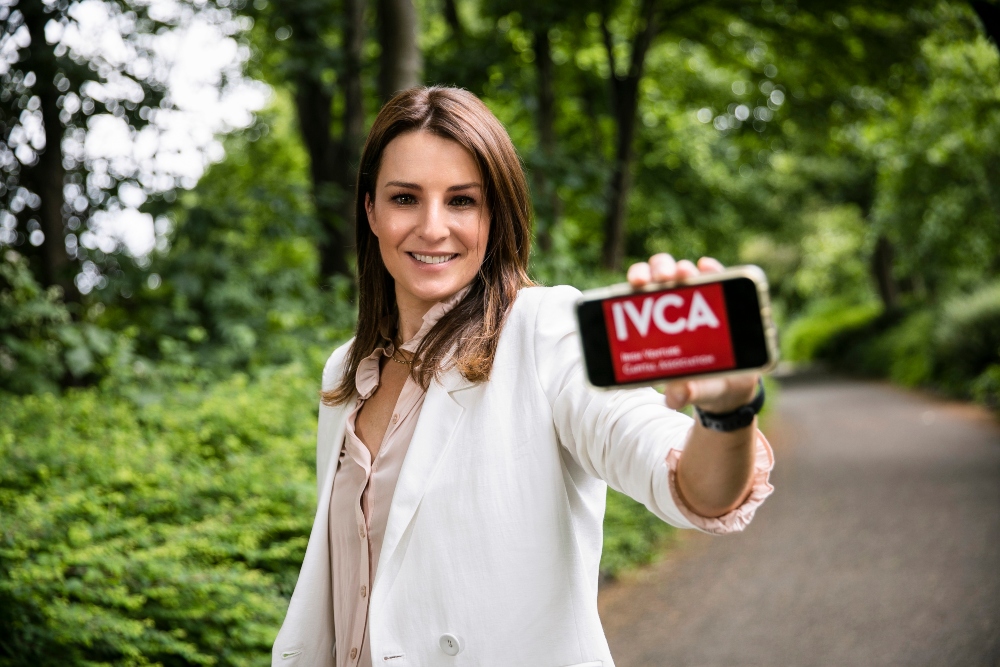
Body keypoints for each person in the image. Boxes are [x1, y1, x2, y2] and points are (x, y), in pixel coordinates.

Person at [271, 86, 774, 667]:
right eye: (405, 197)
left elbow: (692, 484)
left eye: (462, 201)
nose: (433, 228)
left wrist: (726, 410)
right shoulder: (346, 371)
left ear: (495, 214)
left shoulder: (545, 330)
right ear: (370, 210)